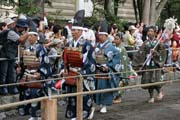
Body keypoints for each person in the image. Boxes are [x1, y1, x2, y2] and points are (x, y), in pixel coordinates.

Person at [63, 10, 96, 120]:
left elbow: (91, 62)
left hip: (82, 72)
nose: (73, 32)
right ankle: (72, 114)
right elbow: (65, 58)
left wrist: (82, 72)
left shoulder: (87, 45)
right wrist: (65, 69)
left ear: (81, 31)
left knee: (84, 95)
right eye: (72, 30)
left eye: (76, 30)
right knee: (72, 95)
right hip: (72, 72)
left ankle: (86, 112)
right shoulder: (69, 43)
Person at [18, 31, 52, 120]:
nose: (29, 38)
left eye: (31, 36)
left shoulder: (41, 48)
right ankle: (31, 114)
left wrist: (40, 73)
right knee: (27, 93)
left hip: (37, 74)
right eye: (28, 36)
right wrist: (19, 67)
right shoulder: (27, 48)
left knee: (35, 93)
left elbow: (45, 62)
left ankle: (36, 115)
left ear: (36, 37)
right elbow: (23, 62)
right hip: (28, 74)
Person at [133, 26, 167, 103]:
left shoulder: (159, 43)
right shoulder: (145, 43)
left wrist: (155, 53)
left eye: (151, 31)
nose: (149, 33)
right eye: (149, 31)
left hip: (155, 64)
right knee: (148, 80)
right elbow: (140, 53)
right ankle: (151, 96)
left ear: (155, 33)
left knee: (156, 80)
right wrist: (139, 63)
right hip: (147, 64)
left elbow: (163, 53)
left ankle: (159, 92)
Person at [95, 19, 121, 113]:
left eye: (102, 35)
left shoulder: (111, 47)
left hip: (106, 71)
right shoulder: (97, 46)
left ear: (106, 36)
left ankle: (104, 105)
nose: (100, 36)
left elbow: (117, 58)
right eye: (99, 35)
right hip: (98, 70)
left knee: (105, 88)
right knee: (98, 87)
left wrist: (109, 66)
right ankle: (100, 104)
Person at [0, 19, 29, 95]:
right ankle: (3, 89)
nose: (24, 29)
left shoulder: (16, 33)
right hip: (5, 55)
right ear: (20, 27)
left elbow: (22, 42)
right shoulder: (11, 32)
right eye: (24, 28)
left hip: (11, 56)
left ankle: (11, 88)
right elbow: (21, 40)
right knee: (3, 73)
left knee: (11, 73)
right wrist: (28, 33)